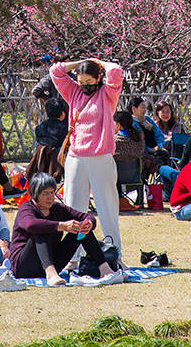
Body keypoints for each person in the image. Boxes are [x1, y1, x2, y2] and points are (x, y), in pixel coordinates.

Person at [51, 56, 125, 255]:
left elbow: (116, 71)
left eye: (89, 82)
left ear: (98, 78)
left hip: (101, 157)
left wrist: (98, 62)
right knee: (73, 208)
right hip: (75, 157)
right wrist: (80, 62)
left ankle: (114, 252)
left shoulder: (108, 94)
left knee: (107, 208)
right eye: (81, 82)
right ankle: (73, 256)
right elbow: (56, 72)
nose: (84, 86)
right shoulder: (73, 92)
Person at [8, 172, 123, 285]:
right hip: (23, 267)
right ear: (35, 194)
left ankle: (105, 269)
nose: (50, 197)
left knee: (81, 228)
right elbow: (31, 225)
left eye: (52, 192)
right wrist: (61, 226)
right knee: (42, 228)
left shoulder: (57, 208)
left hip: (54, 262)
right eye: (45, 193)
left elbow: (86, 216)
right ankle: (50, 273)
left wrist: (89, 224)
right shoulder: (26, 208)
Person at [112, 110, 145, 209]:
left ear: (118, 124)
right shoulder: (139, 139)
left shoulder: (113, 141)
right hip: (135, 176)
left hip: (115, 177)